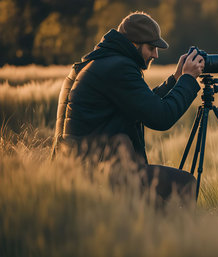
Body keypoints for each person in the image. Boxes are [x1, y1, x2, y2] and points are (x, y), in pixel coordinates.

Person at [52, 11, 205, 203]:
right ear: (134, 43)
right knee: (185, 183)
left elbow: (142, 105)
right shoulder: (118, 68)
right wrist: (188, 80)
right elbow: (161, 117)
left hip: (79, 169)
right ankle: (167, 233)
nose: (156, 54)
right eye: (151, 47)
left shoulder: (99, 62)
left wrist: (175, 79)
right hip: (96, 174)